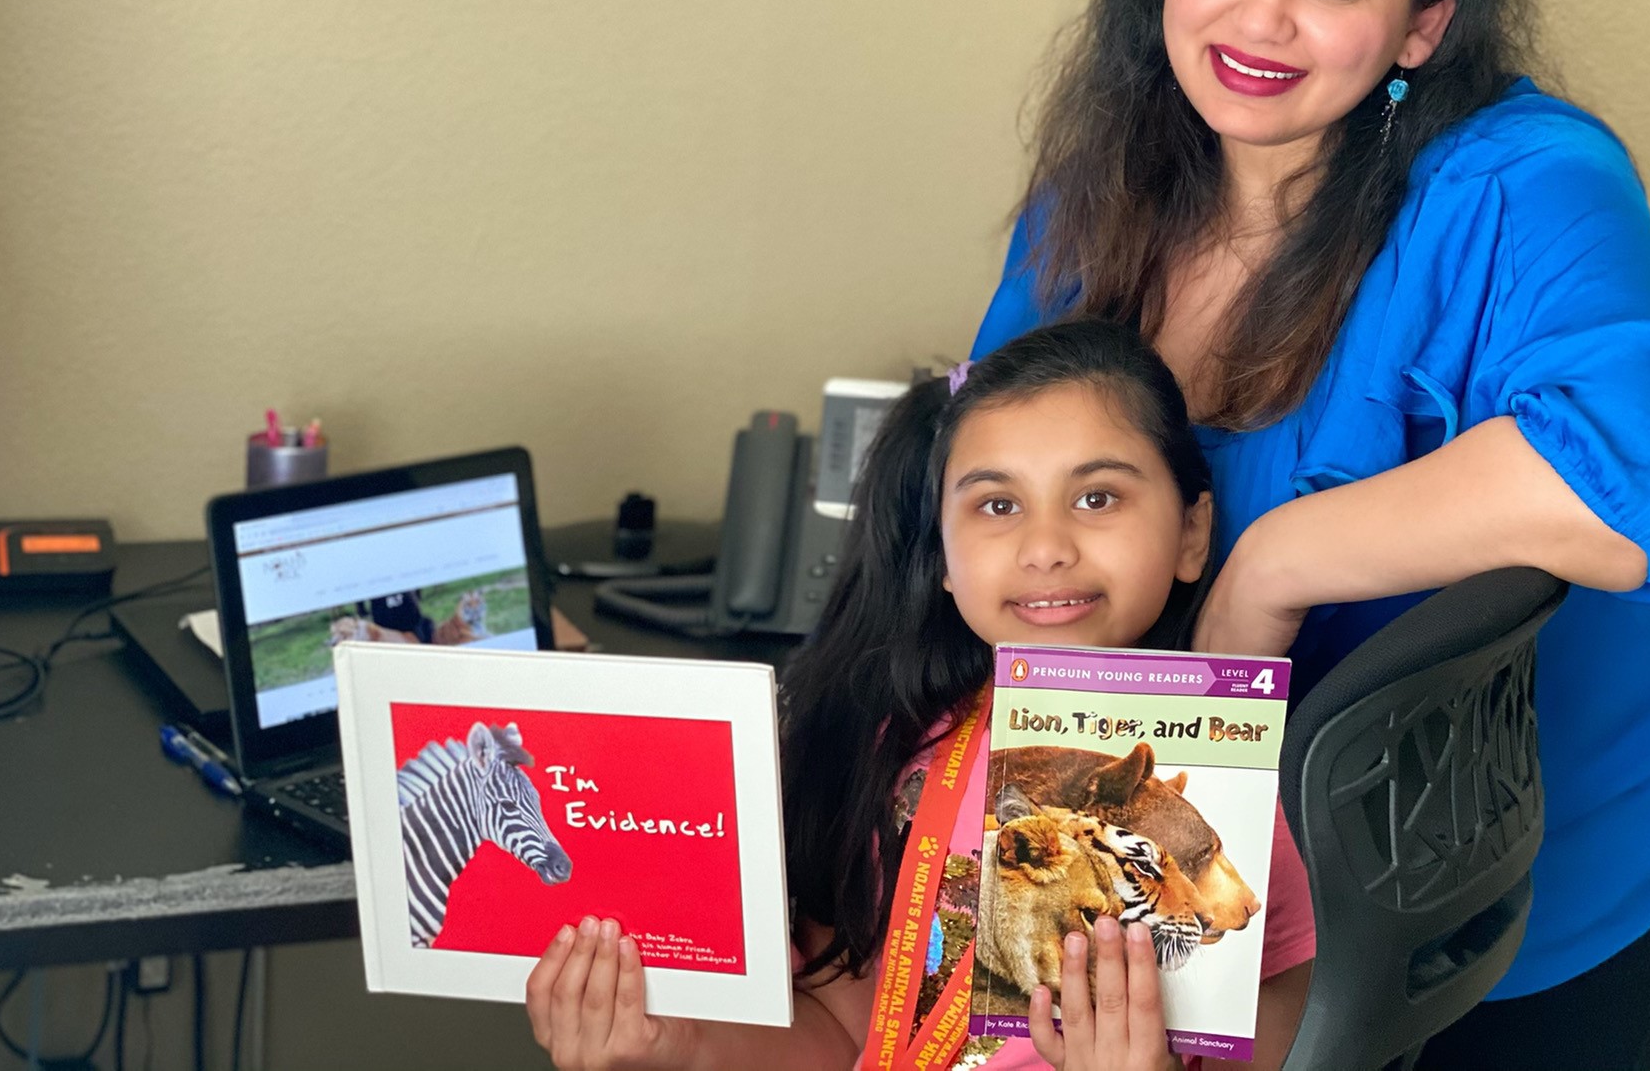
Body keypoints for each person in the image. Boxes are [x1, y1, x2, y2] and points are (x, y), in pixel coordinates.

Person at [971, 0, 1650, 1071]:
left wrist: (1270, 565)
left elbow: (1644, 480)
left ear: (1423, 27)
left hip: (1534, 898)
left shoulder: (1521, 180)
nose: (1259, 19)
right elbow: (1001, 478)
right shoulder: (1096, 191)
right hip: (1215, 873)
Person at [527, 318, 1317, 1071]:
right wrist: (670, 1047)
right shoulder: (894, 749)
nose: (1045, 547)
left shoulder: (1235, 787)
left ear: (1191, 531)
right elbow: (845, 1033)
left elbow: (1289, 1038)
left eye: (1097, 497)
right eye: (998, 505)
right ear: (942, 554)